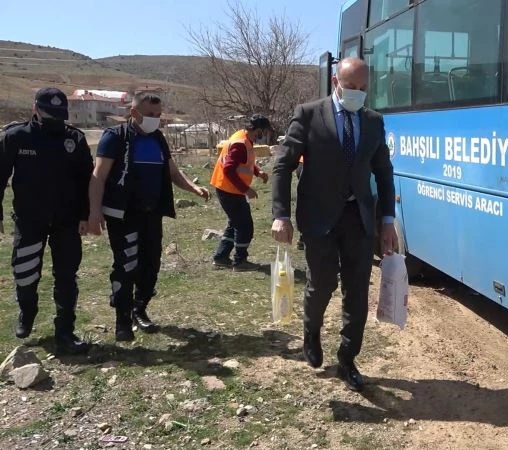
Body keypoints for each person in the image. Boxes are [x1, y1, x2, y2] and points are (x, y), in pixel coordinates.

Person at [271, 57, 398, 392]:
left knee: (357, 291)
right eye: (350, 86)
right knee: (322, 284)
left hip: (359, 219)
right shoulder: (309, 114)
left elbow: (383, 173)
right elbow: (283, 166)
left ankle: (347, 358)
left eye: (362, 88)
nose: (356, 93)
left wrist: (388, 220)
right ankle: (311, 332)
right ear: (335, 83)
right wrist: (280, 214)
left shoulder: (373, 122)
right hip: (319, 218)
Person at [87, 92, 210, 342]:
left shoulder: (158, 139)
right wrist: (94, 210)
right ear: (134, 113)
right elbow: (99, 176)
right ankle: (122, 320)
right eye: (150, 115)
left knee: (151, 265)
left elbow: (173, 172)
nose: (155, 119)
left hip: (152, 214)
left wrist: (193, 188)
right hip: (122, 214)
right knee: (126, 265)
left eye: (158, 115)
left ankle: (138, 308)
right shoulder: (115, 137)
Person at [0, 87, 93, 354]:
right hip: (30, 220)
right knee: (25, 272)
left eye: (60, 114)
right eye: (50, 113)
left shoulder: (74, 138)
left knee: (66, 276)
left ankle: (65, 330)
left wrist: (86, 215)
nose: (56, 119)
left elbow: (87, 179)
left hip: (67, 221)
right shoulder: (16, 137)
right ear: (36, 109)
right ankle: (27, 312)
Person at [209, 114, 270, 271]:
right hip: (229, 189)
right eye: (264, 131)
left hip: (227, 187)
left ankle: (221, 257)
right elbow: (229, 169)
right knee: (244, 225)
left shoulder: (243, 137)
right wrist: (246, 189)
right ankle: (240, 261)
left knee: (235, 223)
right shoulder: (241, 144)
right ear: (258, 130)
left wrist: (258, 172)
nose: (264, 135)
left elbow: (244, 163)